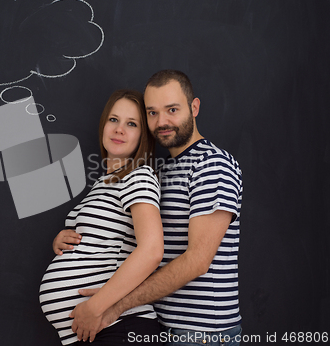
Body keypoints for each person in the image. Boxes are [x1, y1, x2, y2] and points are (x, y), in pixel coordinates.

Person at [70, 70, 243, 346]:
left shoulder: (212, 165)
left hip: (203, 334)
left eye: (172, 110)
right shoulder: (159, 171)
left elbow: (197, 261)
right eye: (152, 113)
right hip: (162, 327)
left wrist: (115, 306)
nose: (162, 122)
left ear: (194, 107)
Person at [39, 89, 165, 345]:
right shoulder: (104, 183)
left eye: (132, 124)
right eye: (114, 119)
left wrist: (96, 306)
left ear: (143, 136)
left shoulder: (138, 177)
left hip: (120, 326)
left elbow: (152, 250)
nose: (120, 129)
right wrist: (64, 240)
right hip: (95, 332)